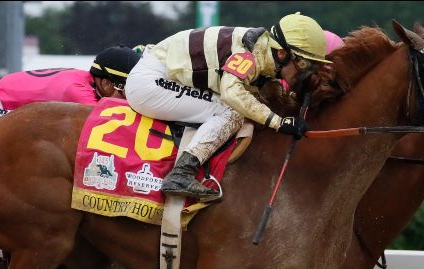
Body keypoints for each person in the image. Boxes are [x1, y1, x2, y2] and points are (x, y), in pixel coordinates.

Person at [124, 13, 331, 200]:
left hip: (162, 76)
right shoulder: (249, 53)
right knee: (231, 111)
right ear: (282, 54)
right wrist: (278, 122)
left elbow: (265, 89)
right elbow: (231, 92)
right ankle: (181, 174)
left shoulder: (264, 52)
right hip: (151, 82)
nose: (306, 73)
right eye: (304, 65)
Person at [0, 45, 141, 135]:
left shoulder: (86, 82)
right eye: (125, 93)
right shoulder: (77, 90)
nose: (128, 101)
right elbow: (106, 125)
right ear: (107, 84)